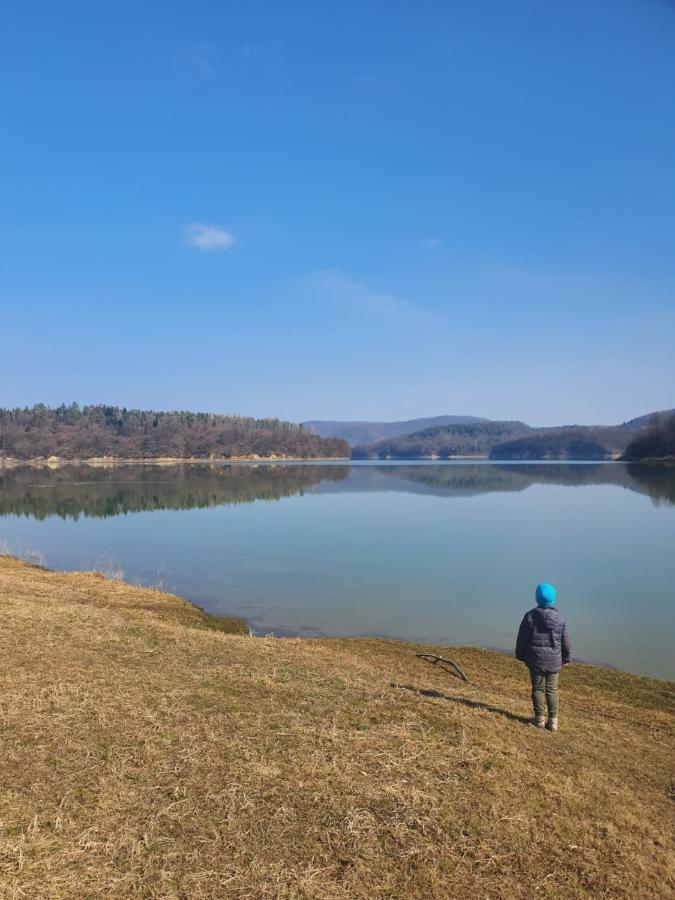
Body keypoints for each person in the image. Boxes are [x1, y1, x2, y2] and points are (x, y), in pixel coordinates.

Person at [515, 582, 571, 732]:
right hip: (554, 661)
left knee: (538, 689)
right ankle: (553, 721)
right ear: (553, 599)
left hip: (535, 659)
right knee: (552, 690)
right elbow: (565, 641)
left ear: (537, 598)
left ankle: (539, 719)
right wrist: (566, 658)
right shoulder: (560, 618)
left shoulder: (530, 616)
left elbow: (522, 638)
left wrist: (520, 655)